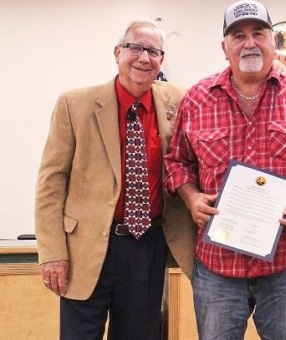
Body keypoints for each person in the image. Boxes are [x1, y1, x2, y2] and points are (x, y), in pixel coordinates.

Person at [164, 0, 286, 340]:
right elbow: (177, 162)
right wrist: (191, 197)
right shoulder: (197, 98)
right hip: (218, 267)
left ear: (273, 41)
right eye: (238, 35)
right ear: (224, 47)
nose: (249, 42)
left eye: (258, 33)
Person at [35, 19, 196, 339]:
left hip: (147, 245)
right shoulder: (74, 104)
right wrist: (52, 252)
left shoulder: (180, 99)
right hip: (85, 247)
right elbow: (51, 182)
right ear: (118, 52)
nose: (144, 57)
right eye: (135, 47)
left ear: (161, 60)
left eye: (153, 51)